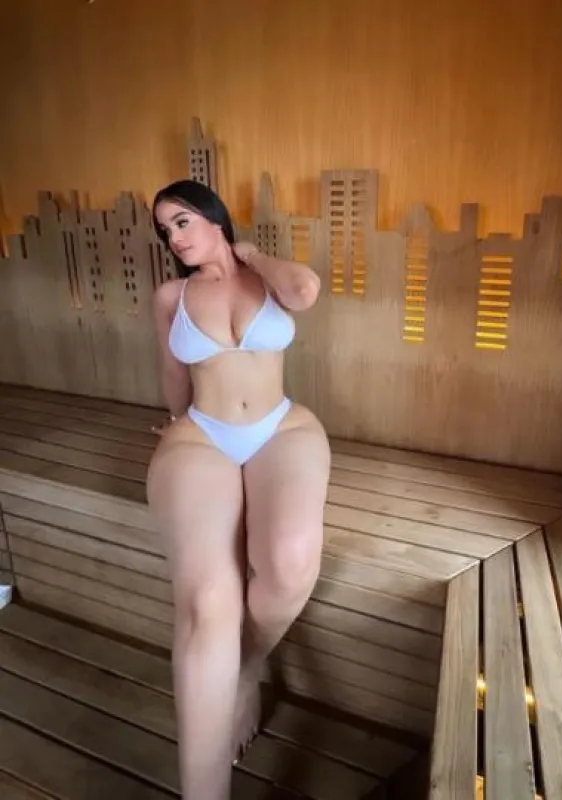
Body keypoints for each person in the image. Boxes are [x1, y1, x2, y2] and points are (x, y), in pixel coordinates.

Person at [146, 179, 331, 800]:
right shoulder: (171, 296)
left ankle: (247, 669)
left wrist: (249, 254)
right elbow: (174, 374)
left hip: (281, 427)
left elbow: (305, 291)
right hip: (202, 433)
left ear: (214, 217)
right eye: (165, 230)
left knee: (290, 563)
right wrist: (173, 427)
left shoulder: (267, 278)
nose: (175, 237)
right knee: (208, 601)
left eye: (182, 221)